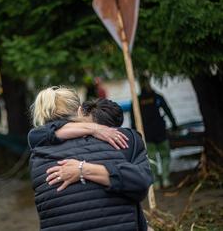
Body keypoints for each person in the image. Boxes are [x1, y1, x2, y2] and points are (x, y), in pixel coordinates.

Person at [28, 86, 152, 231]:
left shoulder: (37, 154)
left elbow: (37, 134)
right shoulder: (122, 138)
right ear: (80, 111)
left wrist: (83, 169)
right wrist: (94, 128)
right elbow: (142, 183)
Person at [131, 75, 178, 189]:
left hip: (146, 134)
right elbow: (168, 111)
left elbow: (133, 120)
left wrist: (135, 134)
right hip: (160, 131)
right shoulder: (157, 97)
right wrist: (174, 125)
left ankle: (156, 181)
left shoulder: (137, 100)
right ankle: (166, 179)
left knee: (151, 159)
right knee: (165, 156)